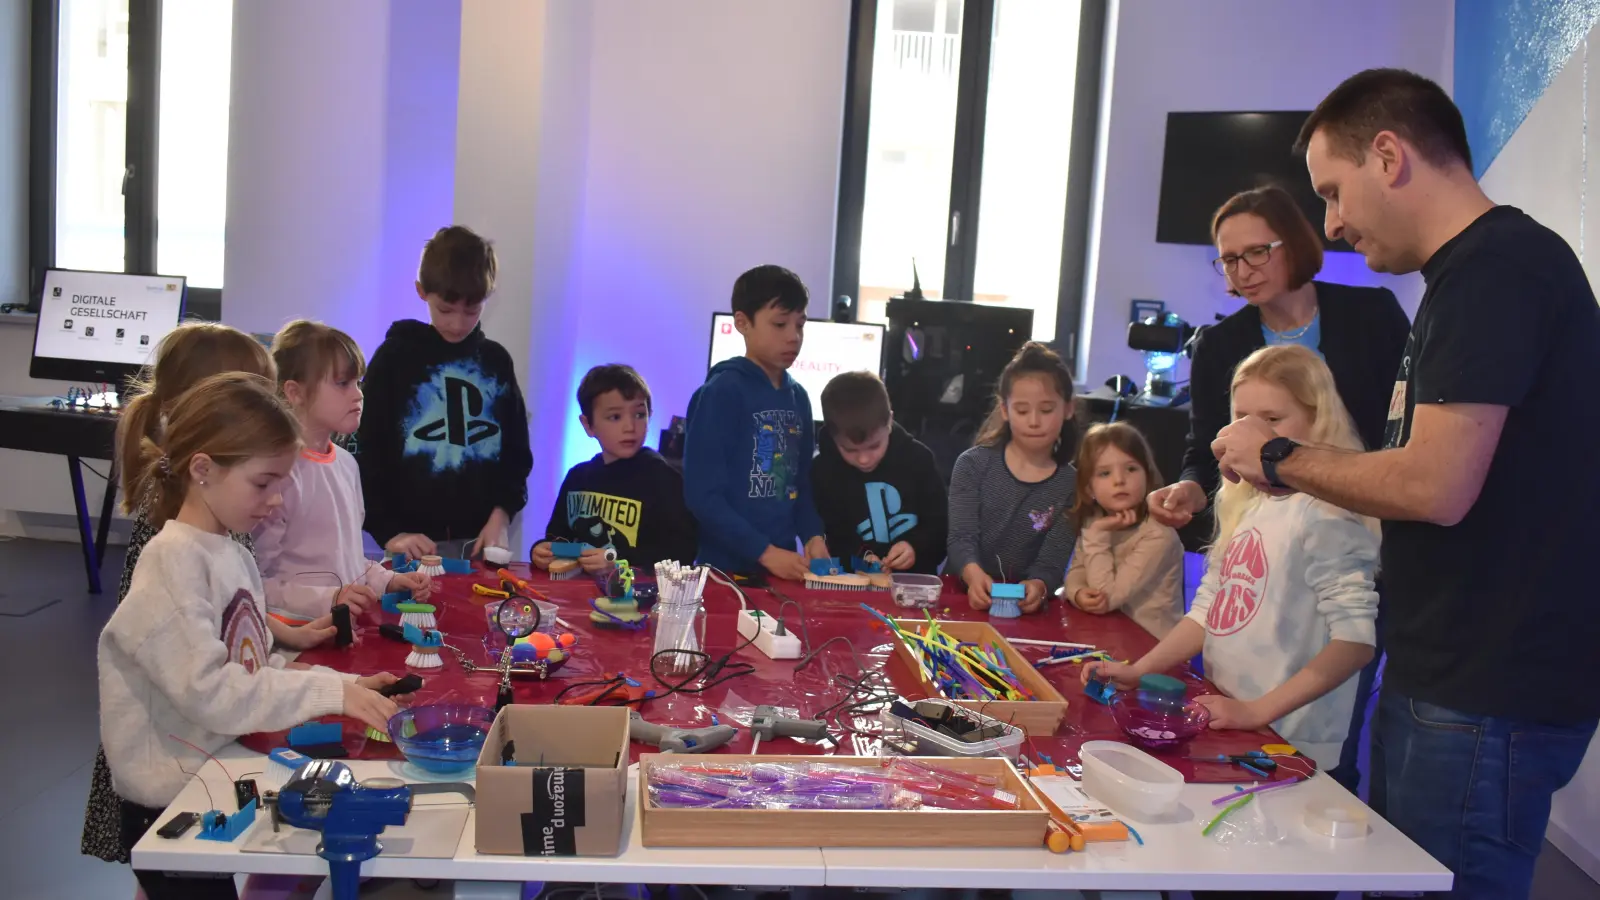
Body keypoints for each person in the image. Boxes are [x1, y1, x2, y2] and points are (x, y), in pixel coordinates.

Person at [1210, 68, 1600, 900]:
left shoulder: (1498, 270)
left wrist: (1275, 458)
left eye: (1332, 192)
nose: (1333, 223)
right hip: (1443, 672)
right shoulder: (1462, 279)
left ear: (1388, 155)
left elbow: (1434, 485)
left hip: (1485, 684)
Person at [97, 373, 399, 900]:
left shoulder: (232, 552)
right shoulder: (172, 562)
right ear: (203, 469)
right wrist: (331, 693)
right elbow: (212, 691)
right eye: (264, 483)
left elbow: (253, 665)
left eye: (282, 483)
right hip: (168, 804)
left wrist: (345, 682)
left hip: (213, 777)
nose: (277, 501)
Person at [1089, 346, 1378, 796]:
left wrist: (1257, 711)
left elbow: (1355, 643)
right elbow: (1209, 608)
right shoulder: (1246, 502)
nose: (1253, 433)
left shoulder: (1326, 513)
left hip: (1290, 743)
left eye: (1273, 420)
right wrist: (1140, 669)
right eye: (1242, 418)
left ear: (1317, 419)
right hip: (1232, 719)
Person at [81, 323, 283, 864]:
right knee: (161, 857)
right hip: (167, 740)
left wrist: (277, 633)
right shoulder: (176, 530)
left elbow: (229, 608)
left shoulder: (218, 511)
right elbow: (176, 641)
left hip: (196, 731)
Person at [1150, 184, 1409, 529]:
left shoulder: (1373, 313)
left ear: (1294, 244)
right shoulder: (1215, 346)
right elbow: (1205, 449)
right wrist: (1191, 487)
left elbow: (1407, 423)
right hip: (1267, 528)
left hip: (1372, 515)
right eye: (1230, 259)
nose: (1243, 272)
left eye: (1257, 252)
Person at [356, 225, 533, 561]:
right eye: (445, 310)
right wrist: (389, 531)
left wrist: (502, 514)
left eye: (471, 310)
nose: (457, 324)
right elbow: (368, 454)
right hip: (410, 548)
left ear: (487, 298)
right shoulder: (394, 359)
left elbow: (517, 455)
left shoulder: (496, 361)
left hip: (480, 543)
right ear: (422, 291)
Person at [254, 321, 433, 626]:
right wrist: (328, 600)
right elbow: (256, 583)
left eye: (358, 382)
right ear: (295, 392)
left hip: (345, 633)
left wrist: (387, 580)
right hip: (296, 642)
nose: (358, 395)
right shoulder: (276, 475)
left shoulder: (347, 465)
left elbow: (348, 562)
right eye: (342, 383)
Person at [683, 265, 828, 580]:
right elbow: (702, 496)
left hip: (781, 570)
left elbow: (799, 484)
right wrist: (765, 552)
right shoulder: (722, 392)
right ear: (742, 323)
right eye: (779, 324)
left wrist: (814, 536)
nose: (793, 336)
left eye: (800, 325)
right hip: (725, 570)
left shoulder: (799, 398)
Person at [947, 342, 1078, 614]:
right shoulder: (973, 464)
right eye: (1021, 410)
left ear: (1068, 409)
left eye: (1046, 410)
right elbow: (961, 538)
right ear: (1004, 410)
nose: (1033, 421)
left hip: (1024, 607)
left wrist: (1039, 585)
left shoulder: (1070, 483)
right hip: (960, 598)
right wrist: (973, 575)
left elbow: (1053, 560)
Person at [531, 364, 697, 573]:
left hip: (635, 601)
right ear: (588, 425)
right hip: (574, 596)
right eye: (615, 417)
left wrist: (618, 560)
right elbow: (559, 538)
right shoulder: (577, 478)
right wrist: (541, 550)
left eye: (639, 414)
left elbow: (681, 554)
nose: (630, 426)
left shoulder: (664, 479)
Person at [810, 370, 947, 574]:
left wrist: (914, 547)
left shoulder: (919, 459)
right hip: (851, 583)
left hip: (913, 586)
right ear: (832, 436)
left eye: (874, 446)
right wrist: (861, 556)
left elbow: (940, 527)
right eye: (849, 450)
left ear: (889, 422)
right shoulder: (824, 470)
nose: (864, 459)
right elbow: (835, 534)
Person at [1064, 422, 1183, 638]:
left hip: (1150, 646)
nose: (1119, 480)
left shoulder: (1159, 536)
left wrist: (1097, 536)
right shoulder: (1096, 521)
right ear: (1089, 488)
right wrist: (1078, 592)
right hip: (1107, 633)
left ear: (1147, 476)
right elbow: (1077, 571)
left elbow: (1105, 598)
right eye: (1105, 473)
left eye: (1131, 469)